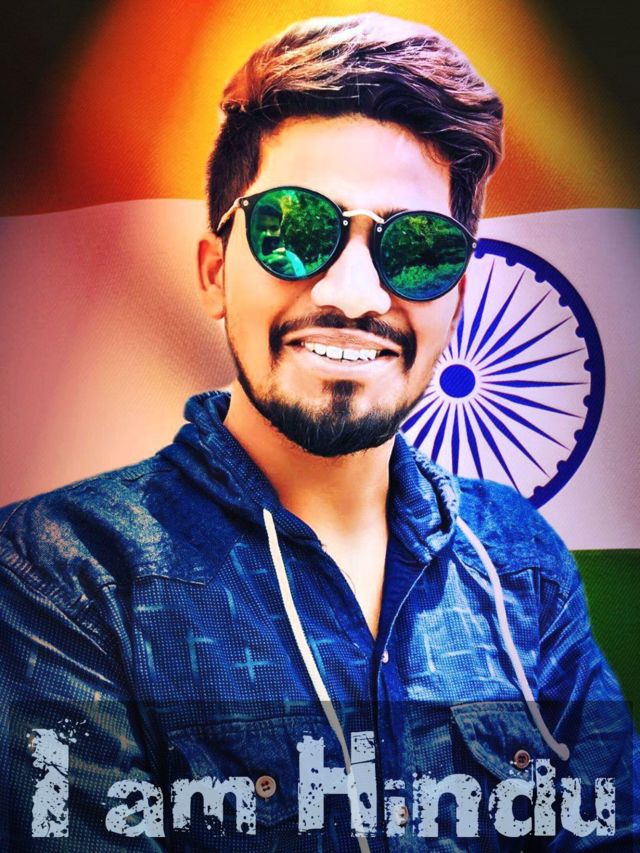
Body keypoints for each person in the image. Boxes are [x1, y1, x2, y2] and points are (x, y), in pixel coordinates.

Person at [0, 13, 636, 852]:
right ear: (215, 273)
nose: (354, 295)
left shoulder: (521, 560)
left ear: (456, 297)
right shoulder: (64, 571)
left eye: (416, 247)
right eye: (295, 231)